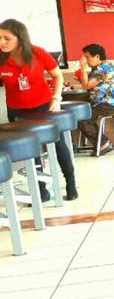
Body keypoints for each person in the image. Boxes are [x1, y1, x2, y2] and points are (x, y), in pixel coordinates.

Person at [0, 18, 78, 201]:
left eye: (6, 38)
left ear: (20, 37)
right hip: (17, 111)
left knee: (58, 145)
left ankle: (71, 183)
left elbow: (58, 76)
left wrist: (56, 98)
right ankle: (41, 191)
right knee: (31, 151)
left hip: (44, 108)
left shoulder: (38, 53)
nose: (2, 42)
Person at [73, 43, 114, 156]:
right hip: (108, 103)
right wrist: (81, 79)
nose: (86, 60)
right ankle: (101, 143)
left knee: (82, 117)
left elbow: (87, 86)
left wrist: (83, 69)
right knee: (84, 115)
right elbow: (90, 86)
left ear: (97, 56)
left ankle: (103, 144)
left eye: (87, 57)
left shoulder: (103, 69)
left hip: (111, 104)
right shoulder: (103, 67)